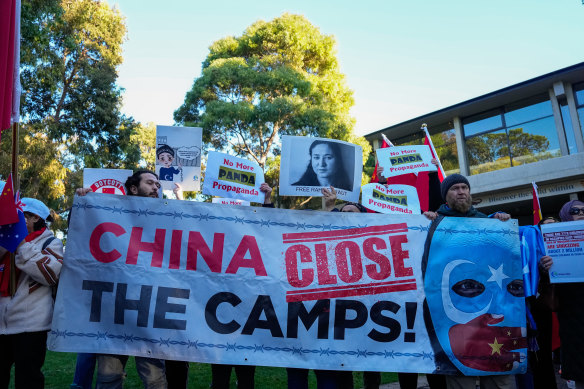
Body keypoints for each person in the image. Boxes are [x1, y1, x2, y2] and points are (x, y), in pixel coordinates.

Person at [423, 174, 517, 389]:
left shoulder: (487, 222)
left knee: (498, 377)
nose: (461, 191)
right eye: (455, 188)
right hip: (453, 314)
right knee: (459, 377)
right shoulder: (435, 222)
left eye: (464, 187)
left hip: (490, 309)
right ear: (446, 195)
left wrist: (501, 224)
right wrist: (424, 224)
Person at [78, 170, 169, 389]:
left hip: (149, 311)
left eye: (157, 184)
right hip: (113, 311)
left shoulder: (167, 218)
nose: (156, 187)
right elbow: (80, 235)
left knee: (155, 377)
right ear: (134, 188)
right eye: (150, 183)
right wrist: (83, 203)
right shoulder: (108, 213)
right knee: (109, 376)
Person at [209, 182, 274, 389]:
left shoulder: (254, 238)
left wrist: (268, 200)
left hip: (248, 320)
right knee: (220, 378)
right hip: (217, 321)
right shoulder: (214, 239)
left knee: (246, 378)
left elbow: (269, 227)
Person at [0, 197, 64, 389]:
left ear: (34, 218)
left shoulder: (52, 243)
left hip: (30, 327)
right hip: (1, 325)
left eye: (18, 218)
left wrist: (20, 244)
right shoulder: (5, 239)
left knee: (28, 379)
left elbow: (50, 275)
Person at [554, 200, 584, 389]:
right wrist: (546, 267)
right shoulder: (556, 243)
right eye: (575, 210)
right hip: (574, 317)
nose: (581, 213)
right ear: (566, 215)